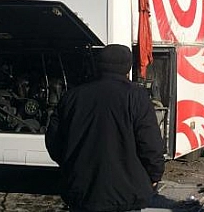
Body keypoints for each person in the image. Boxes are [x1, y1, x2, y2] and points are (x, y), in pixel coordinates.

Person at [46, 44, 165, 212]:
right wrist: (154, 174)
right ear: (127, 67)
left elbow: (53, 140)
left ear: (98, 64)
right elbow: (150, 143)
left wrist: (70, 166)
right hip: (127, 194)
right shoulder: (136, 96)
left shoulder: (72, 96)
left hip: (81, 192)